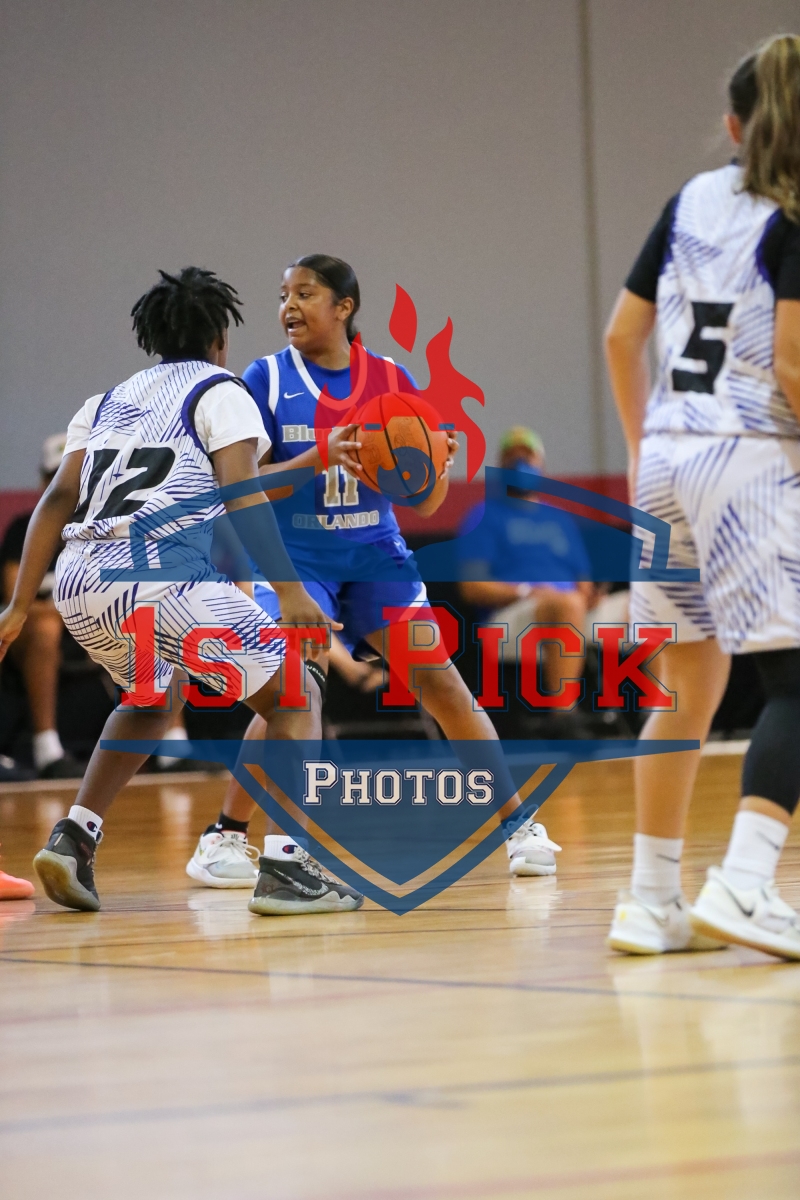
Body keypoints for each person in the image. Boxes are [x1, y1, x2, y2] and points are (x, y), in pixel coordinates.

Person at [186, 255, 561, 892]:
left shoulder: (391, 379)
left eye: (305, 293)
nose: (289, 306)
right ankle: (226, 836)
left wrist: (435, 465)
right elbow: (244, 486)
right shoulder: (265, 379)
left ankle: (519, 827)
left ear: (345, 306)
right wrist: (316, 457)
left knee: (444, 686)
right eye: (284, 295)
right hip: (296, 560)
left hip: (373, 554)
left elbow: (426, 504)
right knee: (292, 693)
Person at [0, 265, 361, 914]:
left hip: (81, 582)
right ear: (220, 338)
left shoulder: (104, 401)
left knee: (152, 697)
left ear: (154, 338)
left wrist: (19, 605)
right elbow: (242, 494)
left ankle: (74, 838)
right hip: (159, 577)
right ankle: (288, 866)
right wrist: (291, 592)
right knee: (296, 693)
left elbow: (55, 500)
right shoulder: (222, 390)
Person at [605, 35, 800, 958]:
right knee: (795, 681)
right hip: (749, 458)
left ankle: (651, 901)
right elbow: (792, 362)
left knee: (686, 687)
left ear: (732, 126)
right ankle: (748, 881)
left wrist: (644, 448)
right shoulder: (793, 211)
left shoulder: (690, 199)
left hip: (667, 462)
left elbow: (621, 336)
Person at [457, 426, 594, 736]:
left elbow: (583, 578)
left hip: (573, 607)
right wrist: (527, 591)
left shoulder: (560, 519)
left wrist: (588, 595)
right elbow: (472, 588)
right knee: (567, 605)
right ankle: (564, 718)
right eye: (512, 458)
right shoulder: (483, 516)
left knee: (642, 605)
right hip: (510, 617)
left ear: (541, 465)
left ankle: (659, 715)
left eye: (527, 457)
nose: (520, 465)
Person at [0, 434, 84, 778]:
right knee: (46, 627)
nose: (65, 485)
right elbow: (14, 599)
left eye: (74, 476)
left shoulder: (101, 529)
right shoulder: (23, 530)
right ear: (43, 481)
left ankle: (170, 745)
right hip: (39, 629)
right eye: (55, 477)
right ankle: (47, 750)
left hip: (91, 625)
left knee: (155, 618)